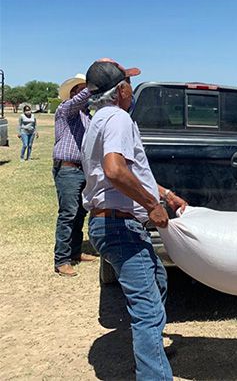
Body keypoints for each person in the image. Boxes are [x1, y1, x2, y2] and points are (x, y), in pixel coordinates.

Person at [82, 58, 188, 381]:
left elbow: (128, 171)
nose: (131, 90)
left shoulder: (100, 120)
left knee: (158, 280)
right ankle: (153, 372)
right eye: (128, 83)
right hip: (119, 225)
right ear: (122, 91)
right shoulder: (118, 119)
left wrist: (165, 194)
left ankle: (150, 351)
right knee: (148, 308)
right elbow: (115, 170)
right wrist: (150, 206)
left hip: (110, 222)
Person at [53, 73, 96, 277]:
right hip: (68, 169)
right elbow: (78, 101)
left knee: (79, 213)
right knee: (68, 213)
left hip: (81, 169)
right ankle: (61, 260)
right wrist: (95, 84)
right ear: (72, 94)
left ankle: (75, 252)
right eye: (80, 89)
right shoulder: (65, 109)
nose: (84, 94)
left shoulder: (88, 117)